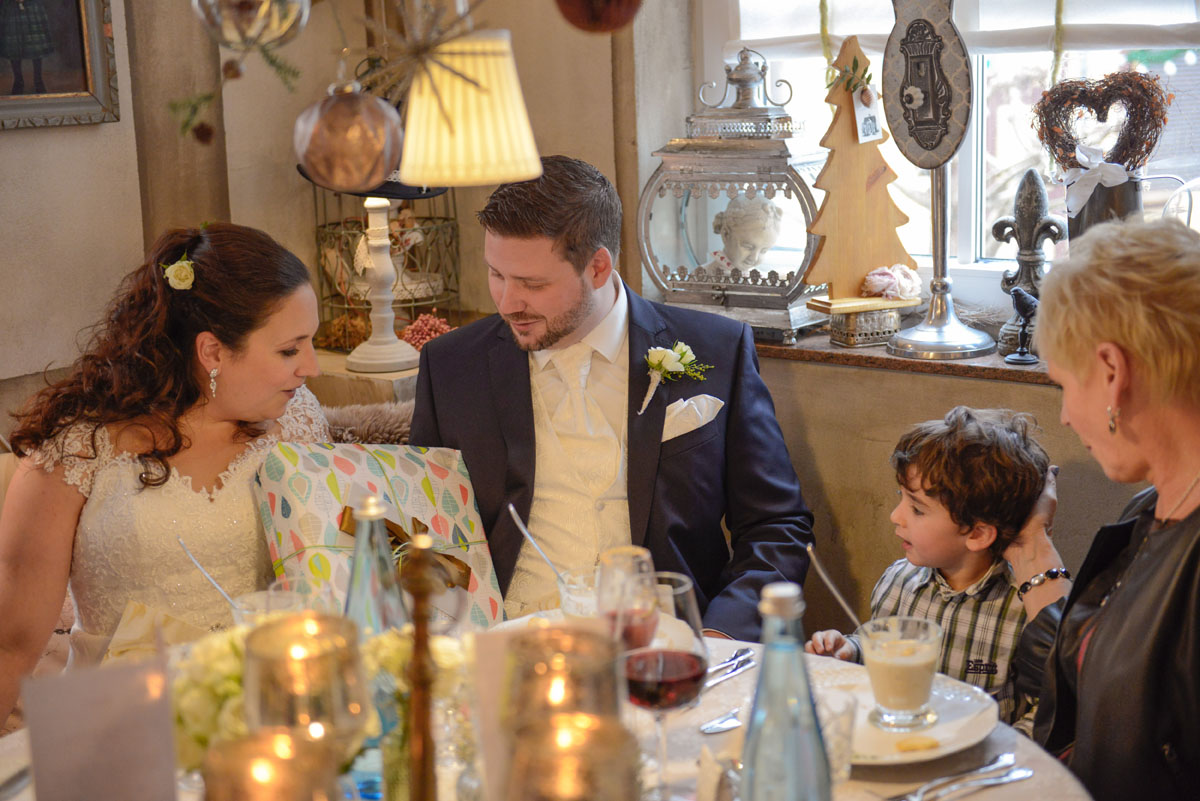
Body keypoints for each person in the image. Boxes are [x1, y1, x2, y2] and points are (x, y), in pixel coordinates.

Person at [409, 155, 812, 640]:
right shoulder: (450, 366)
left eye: (533, 284)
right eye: (497, 274)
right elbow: (423, 528)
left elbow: (776, 525)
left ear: (598, 267)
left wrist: (720, 636)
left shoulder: (717, 350)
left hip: (665, 644)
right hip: (502, 643)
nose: (508, 302)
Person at [0, 223, 328, 723]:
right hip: (122, 726)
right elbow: (11, 645)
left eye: (311, 342)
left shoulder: (300, 420)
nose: (313, 367)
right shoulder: (76, 450)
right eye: (290, 349)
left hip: (273, 718)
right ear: (212, 351)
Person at [1008, 217, 1200, 800]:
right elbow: (1103, 666)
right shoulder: (1157, 505)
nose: (1066, 416)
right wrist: (1030, 545)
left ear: (1113, 373)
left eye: (1065, 386)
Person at [805, 406, 1049, 724]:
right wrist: (850, 650)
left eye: (917, 509)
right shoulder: (897, 582)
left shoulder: (1025, 610)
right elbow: (880, 652)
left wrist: (1001, 749)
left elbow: (1043, 714)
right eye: (901, 498)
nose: (896, 516)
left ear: (977, 534)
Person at [703, 194, 783, 274]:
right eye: (748, 247)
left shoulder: (754, 275)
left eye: (763, 251)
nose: (754, 258)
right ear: (726, 235)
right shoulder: (704, 275)